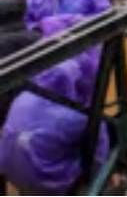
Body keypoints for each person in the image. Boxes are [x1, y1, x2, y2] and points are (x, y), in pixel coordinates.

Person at [0, 52, 107, 193]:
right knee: (99, 137)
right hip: (47, 183)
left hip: (11, 173)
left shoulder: (23, 96)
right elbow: (98, 160)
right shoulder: (75, 118)